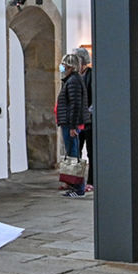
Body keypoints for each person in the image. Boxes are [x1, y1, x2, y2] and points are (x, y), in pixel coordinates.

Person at [56, 53, 90, 197]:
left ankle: (78, 188)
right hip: (68, 122)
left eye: (64, 64)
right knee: (71, 153)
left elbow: (75, 105)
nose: (62, 67)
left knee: (74, 155)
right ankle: (74, 186)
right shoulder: (71, 80)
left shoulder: (73, 81)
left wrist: (72, 126)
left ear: (70, 66)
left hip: (71, 123)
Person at [76, 47, 95, 190]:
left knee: (90, 151)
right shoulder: (74, 77)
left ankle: (91, 181)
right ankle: (74, 181)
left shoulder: (91, 75)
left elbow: (94, 97)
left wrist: (88, 112)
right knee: (75, 151)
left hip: (88, 120)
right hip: (76, 120)